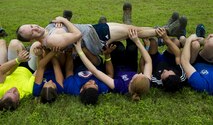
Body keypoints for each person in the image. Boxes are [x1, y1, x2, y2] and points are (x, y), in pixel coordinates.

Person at [16, 15, 182, 56]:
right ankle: (167, 31)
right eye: (31, 31)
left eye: (31, 25)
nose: (34, 27)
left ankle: (164, 28)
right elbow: (77, 35)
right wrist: (64, 20)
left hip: (94, 30)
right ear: (31, 37)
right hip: (94, 37)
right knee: (134, 32)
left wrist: (58, 22)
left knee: (132, 28)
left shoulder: (46, 29)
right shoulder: (52, 39)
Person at [74, 29, 152, 101]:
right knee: (132, 46)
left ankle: (104, 30)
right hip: (130, 65)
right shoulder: (145, 82)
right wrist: (137, 41)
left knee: (118, 46)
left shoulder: (119, 86)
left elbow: (95, 72)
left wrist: (79, 51)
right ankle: (128, 28)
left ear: (131, 82)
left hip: (116, 64)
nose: (141, 73)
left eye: (139, 75)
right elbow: (148, 61)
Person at [144, 28, 186, 92]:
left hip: (156, 62)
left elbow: (143, 65)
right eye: (170, 71)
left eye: (163, 73)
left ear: (162, 80)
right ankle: (162, 37)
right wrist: (165, 37)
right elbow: (178, 55)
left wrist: (146, 47)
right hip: (168, 59)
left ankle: (160, 32)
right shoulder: (180, 76)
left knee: (152, 42)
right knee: (175, 42)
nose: (165, 70)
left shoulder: (155, 81)